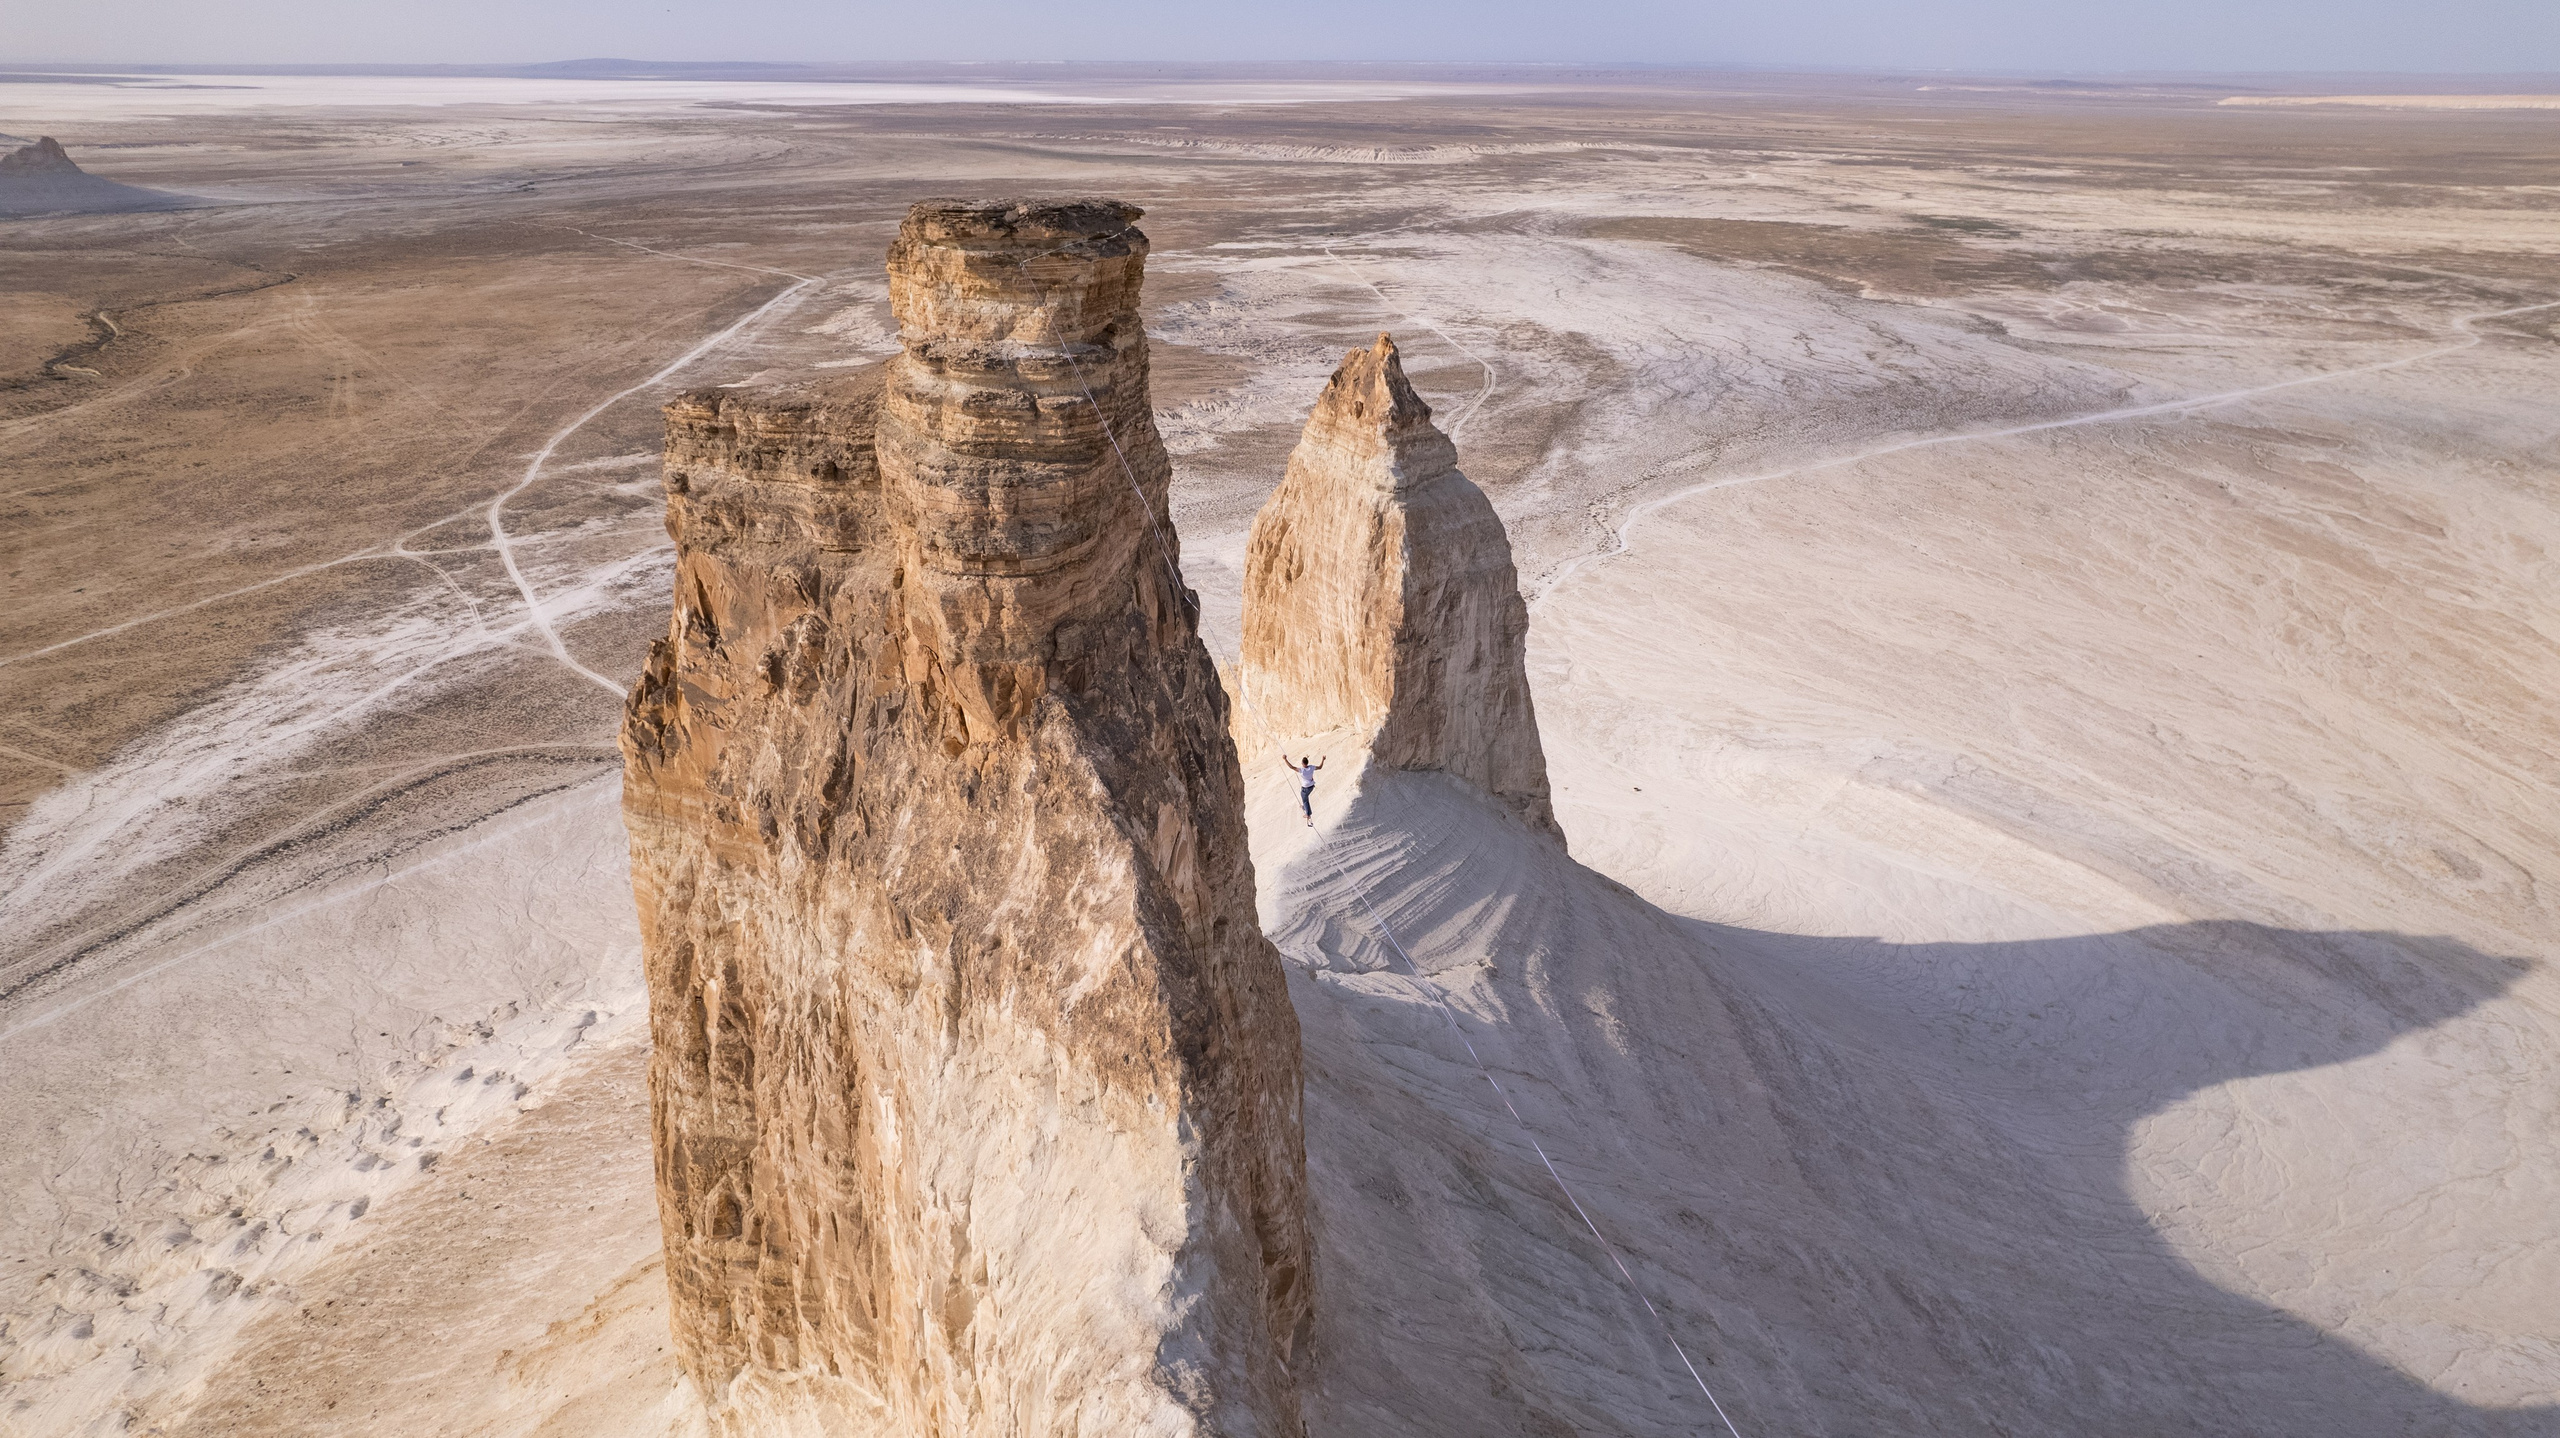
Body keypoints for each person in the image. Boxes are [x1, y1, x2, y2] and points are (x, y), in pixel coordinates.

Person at [1285, 754, 1325, 827]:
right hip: (1311, 786)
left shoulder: (1302, 770)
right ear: (1307, 763)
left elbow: (1291, 767)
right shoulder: (1312, 767)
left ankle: (1308, 814)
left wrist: (1285, 759)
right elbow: (1320, 767)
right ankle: (1305, 807)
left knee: (1305, 800)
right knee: (1305, 798)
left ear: (1303, 763)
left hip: (1305, 788)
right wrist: (1323, 759)